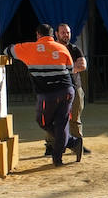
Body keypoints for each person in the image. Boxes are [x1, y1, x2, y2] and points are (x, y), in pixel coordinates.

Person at [6, 23, 83, 166]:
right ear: (53, 35)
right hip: (67, 91)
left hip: (47, 94)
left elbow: (8, 50)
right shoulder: (62, 48)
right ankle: (59, 157)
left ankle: (72, 143)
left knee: (43, 122)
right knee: (61, 124)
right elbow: (70, 69)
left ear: (37, 35)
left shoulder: (28, 48)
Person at [43, 23, 91, 157]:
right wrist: (70, 67)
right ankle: (51, 146)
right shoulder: (51, 49)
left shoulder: (75, 49)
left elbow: (82, 65)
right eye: (63, 32)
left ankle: (77, 144)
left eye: (68, 32)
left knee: (75, 119)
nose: (66, 35)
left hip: (75, 89)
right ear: (56, 34)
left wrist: (62, 68)